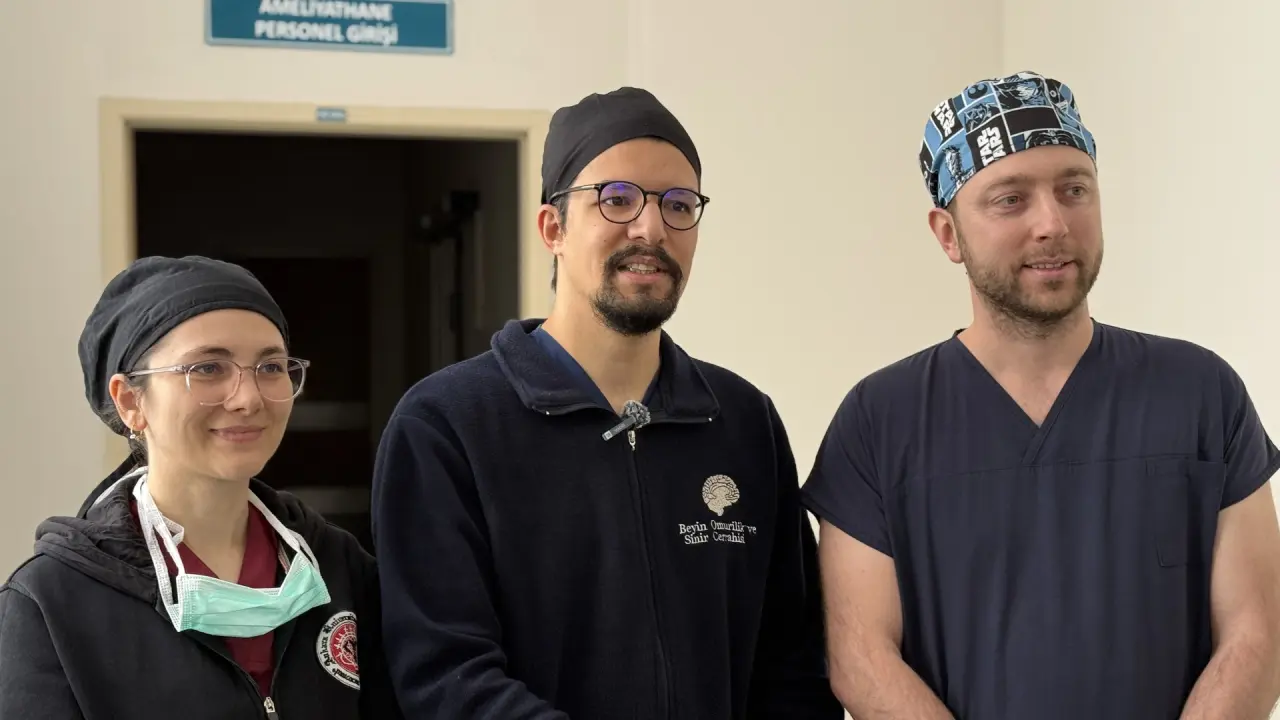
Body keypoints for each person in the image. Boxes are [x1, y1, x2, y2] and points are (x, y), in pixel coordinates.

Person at [801, 69, 1280, 719]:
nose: (1052, 223)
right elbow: (861, 656)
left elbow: (1258, 632)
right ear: (948, 234)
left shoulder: (1201, 394)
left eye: (1074, 189)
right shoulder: (879, 422)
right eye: (1011, 199)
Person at [370, 86, 842, 719]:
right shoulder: (446, 426)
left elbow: (793, 663)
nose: (651, 228)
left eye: (679, 205)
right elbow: (444, 677)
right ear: (554, 228)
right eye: (617, 199)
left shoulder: (743, 421)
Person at [0, 256, 402, 720]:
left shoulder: (338, 567)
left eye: (271, 366)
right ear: (130, 401)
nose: (249, 398)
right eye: (208, 368)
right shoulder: (53, 604)